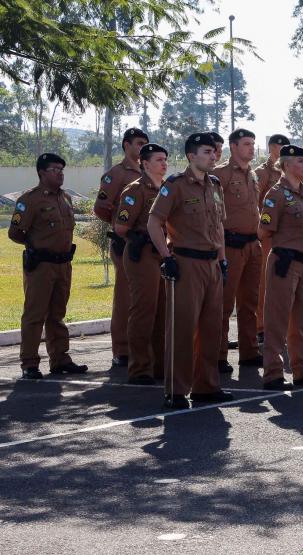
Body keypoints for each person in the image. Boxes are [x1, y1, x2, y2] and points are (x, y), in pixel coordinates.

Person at [148, 132, 233, 409]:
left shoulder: (215, 184)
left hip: (211, 264)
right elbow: (154, 222)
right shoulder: (175, 185)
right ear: (191, 156)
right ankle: (176, 389)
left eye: (214, 152)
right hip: (186, 263)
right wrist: (166, 257)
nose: (213, 156)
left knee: (212, 328)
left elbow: (219, 225)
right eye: (207, 152)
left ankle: (206, 386)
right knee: (182, 329)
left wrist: (222, 259)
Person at [9, 153, 88, 379]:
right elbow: (15, 232)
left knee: (57, 314)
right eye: (54, 169)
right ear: (42, 172)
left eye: (61, 169)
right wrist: (35, 245)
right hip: (41, 265)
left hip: (63, 264)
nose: (60, 173)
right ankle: (30, 363)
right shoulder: (30, 200)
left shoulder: (65, 198)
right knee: (35, 314)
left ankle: (60, 359)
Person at [258, 145, 303, 390]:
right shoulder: (275, 194)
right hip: (285, 263)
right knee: (277, 320)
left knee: (301, 320)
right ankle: (273, 373)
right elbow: (264, 229)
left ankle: (302, 370)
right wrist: (287, 246)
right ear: (286, 164)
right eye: (300, 161)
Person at [93, 127, 149, 368]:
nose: (142, 148)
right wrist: (120, 226)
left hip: (147, 245)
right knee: (126, 296)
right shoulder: (116, 174)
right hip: (125, 243)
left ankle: (144, 347)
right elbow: (101, 208)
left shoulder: (149, 171)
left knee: (145, 296)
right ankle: (122, 350)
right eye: (138, 143)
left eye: (145, 144)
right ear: (126, 145)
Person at [114, 143, 169, 385]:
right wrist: (137, 239)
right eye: (158, 160)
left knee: (162, 311)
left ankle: (160, 366)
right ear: (145, 164)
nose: (164, 164)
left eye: (165, 159)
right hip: (142, 252)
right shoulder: (134, 190)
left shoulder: (167, 189)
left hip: (162, 252)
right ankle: (139, 368)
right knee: (144, 309)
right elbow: (121, 227)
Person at [212, 129, 263, 375]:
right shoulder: (219, 175)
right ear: (233, 147)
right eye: (246, 144)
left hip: (253, 245)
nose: (252, 148)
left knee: (250, 303)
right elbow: (212, 215)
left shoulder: (252, 174)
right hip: (231, 246)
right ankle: (218, 354)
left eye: (253, 144)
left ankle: (249, 352)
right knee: (224, 303)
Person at [254, 133, 290, 344]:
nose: (282, 148)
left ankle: (278, 327)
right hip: (269, 235)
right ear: (270, 148)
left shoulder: (287, 171)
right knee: (265, 283)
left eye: (286, 145)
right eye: (279, 145)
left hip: (287, 237)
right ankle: (262, 327)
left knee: (282, 285)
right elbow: (255, 204)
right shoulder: (261, 173)